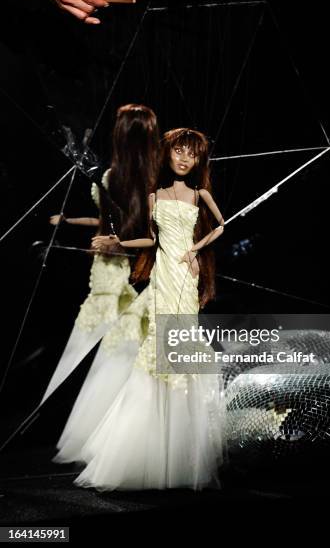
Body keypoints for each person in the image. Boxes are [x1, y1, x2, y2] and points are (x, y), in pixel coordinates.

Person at [66, 127, 226, 491]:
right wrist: (118, 240)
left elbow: (221, 225)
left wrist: (196, 250)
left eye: (192, 154)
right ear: (167, 153)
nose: (185, 159)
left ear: (199, 160)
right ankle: (148, 449)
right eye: (179, 152)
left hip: (184, 275)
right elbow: (151, 241)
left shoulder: (200, 194)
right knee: (157, 347)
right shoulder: (155, 195)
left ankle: (178, 450)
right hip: (164, 273)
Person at [41, 104, 159, 462]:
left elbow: (152, 232)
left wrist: (116, 244)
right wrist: (70, 220)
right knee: (117, 354)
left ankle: (131, 437)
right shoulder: (113, 177)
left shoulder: (153, 180)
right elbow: (107, 221)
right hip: (113, 269)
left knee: (130, 352)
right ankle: (112, 434)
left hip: (138, 273)